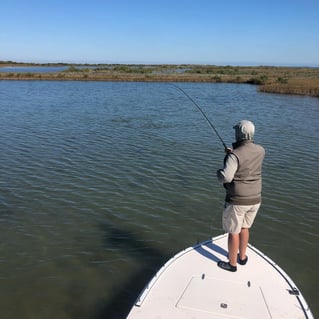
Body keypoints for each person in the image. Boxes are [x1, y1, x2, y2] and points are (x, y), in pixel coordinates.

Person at [216, 120, 265, 272]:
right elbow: (247, 160)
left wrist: (219, 171)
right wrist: (232, 154)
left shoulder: (235, 156)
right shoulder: (261, 150)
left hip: (238, 200)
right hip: (255, 199)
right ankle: (242, 258)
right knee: (245, 227)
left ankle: (232, 264)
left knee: (233, 231)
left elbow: (226, 177)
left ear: (239, 133)